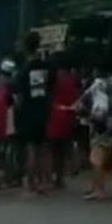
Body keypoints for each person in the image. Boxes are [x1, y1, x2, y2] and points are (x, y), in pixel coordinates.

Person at [15, 32, 53, 195]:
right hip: (43, 109)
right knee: (44, 148)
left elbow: (19, 96)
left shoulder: (23, 70)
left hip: (28, 112)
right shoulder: (47, 66)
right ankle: (44, 181)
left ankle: (31, 184)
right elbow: (52, 87)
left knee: (31, 149)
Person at [75, 62, 112, 200]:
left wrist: (84, 113)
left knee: (97, 158)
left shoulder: (99, 84)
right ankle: (96, 187)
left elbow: (81, 103)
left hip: (103, 125)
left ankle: (99, 190)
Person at [45, 53, 80, 189]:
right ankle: (61, 176)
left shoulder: (53, 79)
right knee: (63, 148)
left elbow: (48, 97)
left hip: (54, 116)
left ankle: (53, 177)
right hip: (69, 116)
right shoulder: (73, 80)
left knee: (52, 149)